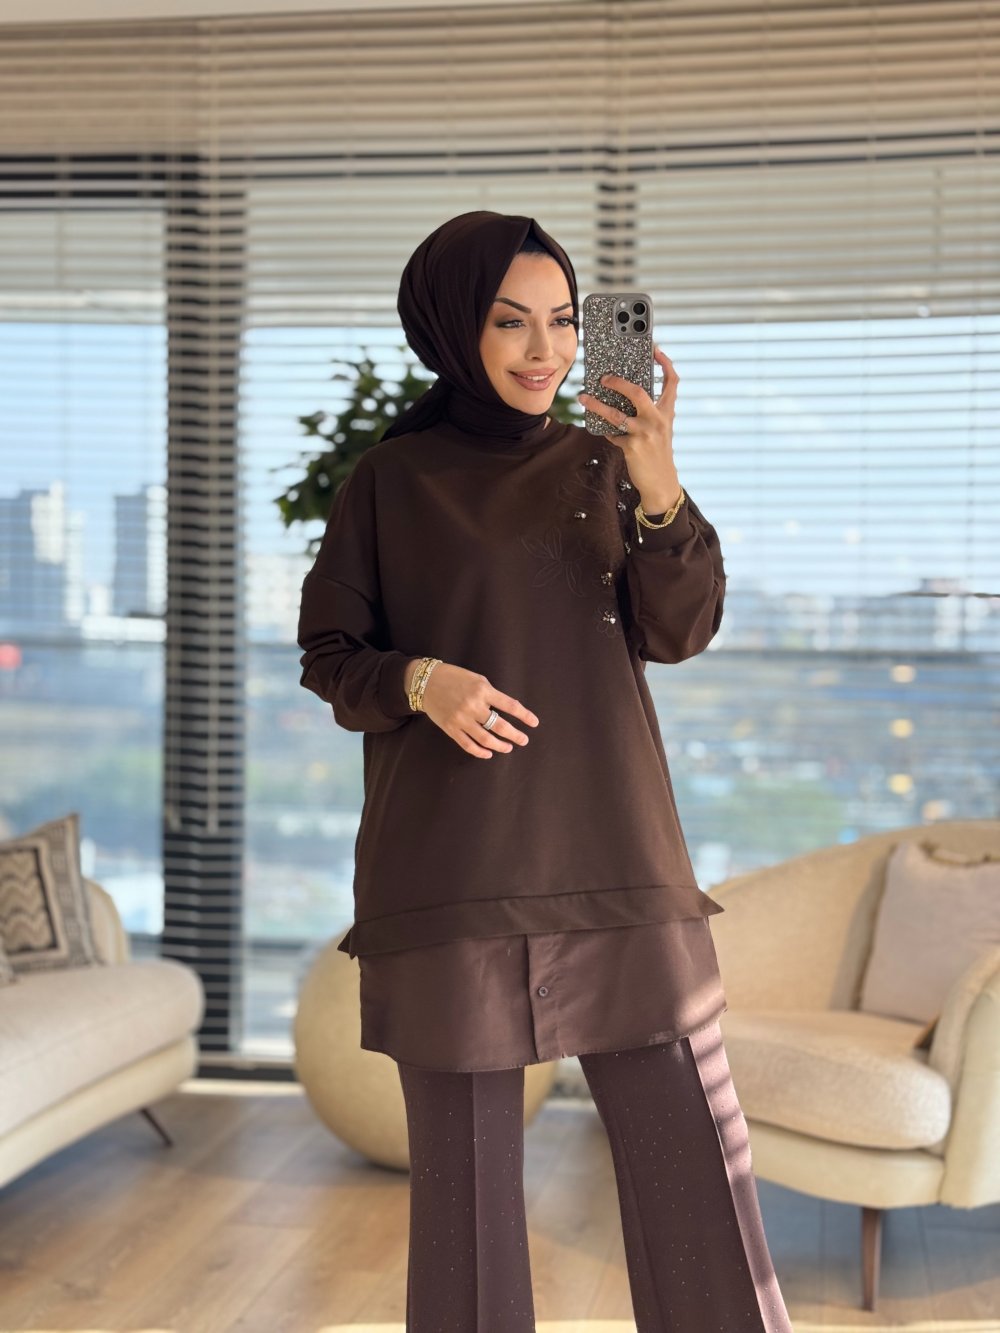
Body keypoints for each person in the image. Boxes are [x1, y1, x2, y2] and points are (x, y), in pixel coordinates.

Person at [297, 210, 794, 1332]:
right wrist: (424, 679)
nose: (546, 350)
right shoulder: (389, 480)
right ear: (449, 328)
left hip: (616, 857)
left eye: (565, 321)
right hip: (453, 870)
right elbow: (332, 657)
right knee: (466, 1221)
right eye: (509, 321)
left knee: (696, 1182)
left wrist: (657, 482)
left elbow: (680, 629)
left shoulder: (607, 465)